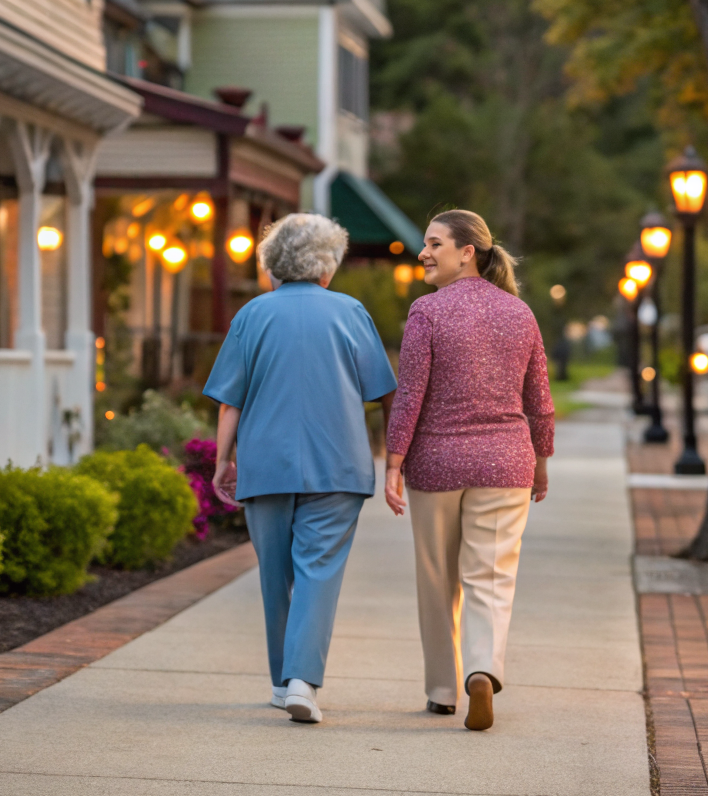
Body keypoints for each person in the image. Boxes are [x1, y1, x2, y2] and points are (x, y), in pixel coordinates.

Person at [206, 212, 396, 725]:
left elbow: (230, 402)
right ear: (327, 267)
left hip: (265, 463)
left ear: (272, 267)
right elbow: (384, 392)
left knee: (275, 574)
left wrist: (224, 461)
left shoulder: (251, 315)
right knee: (319, 571)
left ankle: (279, 680)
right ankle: (301, 681)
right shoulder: (351, 311)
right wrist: (395, 456)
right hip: (338, 465)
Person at [384, 209, 553, 732]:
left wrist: (393, 461)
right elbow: (539, 402)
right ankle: (482, 669)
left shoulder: (427, 312)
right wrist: (541, 462)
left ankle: (441, 691)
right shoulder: (520, 314)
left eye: (434, 243)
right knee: (491, 578)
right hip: (507, 462)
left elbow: (410, 393)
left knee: (437, 578)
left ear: (467, 252)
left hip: (436, 462)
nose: (423, 253)